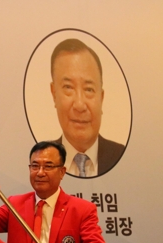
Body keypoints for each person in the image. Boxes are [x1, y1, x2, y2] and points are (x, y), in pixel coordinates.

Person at [50, 38, 125, 177]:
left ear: (101, 98)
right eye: (68, 87)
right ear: (54, 93)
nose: (79, 105)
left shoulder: (125, 158)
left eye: (89, 89)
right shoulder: (40, 164)